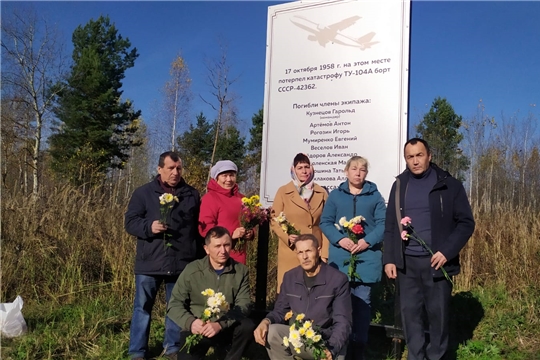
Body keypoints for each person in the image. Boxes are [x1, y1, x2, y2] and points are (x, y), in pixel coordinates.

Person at [383, 138, 475, 360]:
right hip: (406, 265)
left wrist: (446, 251)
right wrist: (389, 259)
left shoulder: (448, 184)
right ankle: (416, 356)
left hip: (437, 264)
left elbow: (466, 223)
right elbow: (390, 227)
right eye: (410, 157)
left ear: (429, 156)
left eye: (419, 155)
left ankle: (436, 357)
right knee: (411, 318)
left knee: (438, 318)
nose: (415, 161)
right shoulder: (399, 186)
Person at [125, 151, 202, 360]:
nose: (175, 172)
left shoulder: (191, 194)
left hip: (181, 262)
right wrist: (149, 227)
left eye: (178, 168)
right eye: (171, 168)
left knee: (176, 308)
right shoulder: (144, 193)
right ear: (160, 169)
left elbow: (198, 229)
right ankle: (137, 352)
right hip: (150, 262)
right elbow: (130, 222)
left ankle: (172, 348)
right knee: (142, 308)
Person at [319, 156, 386, 359]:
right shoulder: (336, 196)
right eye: (354, 168)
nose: (358, 172)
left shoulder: (375, 196)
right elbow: (326, 222)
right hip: (340, 262)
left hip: (366, 259)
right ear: (346, 171)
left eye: (362, 169)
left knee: (362, 305)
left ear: (366, 173)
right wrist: (340, 240)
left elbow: (384, 224)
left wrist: (367, 241)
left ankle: (358, 349)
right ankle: (338, 347)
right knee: (338, 306)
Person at [254, 234, 352, 360]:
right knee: (272, 332)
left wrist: (332, 348)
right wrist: (265, 322)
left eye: (308, 251)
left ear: (318, 251)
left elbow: (343, 321)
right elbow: (280, 311)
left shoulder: (338, 280)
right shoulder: (290, 277)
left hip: (324, 341)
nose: (304, 257)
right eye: (300, 252)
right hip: (298, 338)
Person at [167, 226, 255, 360]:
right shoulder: (192, 270)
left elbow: (244, 304)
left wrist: (220, 324)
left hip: (226, 326)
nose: (223, 251)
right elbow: (174, 304)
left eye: (226, 245)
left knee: (247, 326)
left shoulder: (241, 271)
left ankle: (231, 356)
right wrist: (191, 322)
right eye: (217, 246)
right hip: (199, 327)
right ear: (206, 249)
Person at [270, 153, 329, 291]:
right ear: (293, 170)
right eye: (300, 167)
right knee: (290, 293)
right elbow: (274, 219)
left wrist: (325, 253)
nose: (304, 171)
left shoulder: (321, 192)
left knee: (314, 294)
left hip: (314, 251)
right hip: (291, 251)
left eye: (307, 167)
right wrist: (287, 237)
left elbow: (327, 224)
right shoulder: (283, 192)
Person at [198, 160, 254, 265]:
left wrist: (250, 233)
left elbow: (249, 220)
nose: (228, 179)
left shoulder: (243, 199)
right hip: (219, 256)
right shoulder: (210, 198)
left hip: (239, 255)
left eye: (232, 175)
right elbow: (206, 229)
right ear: (217, 178)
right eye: (224, 176)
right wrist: (230, 235)